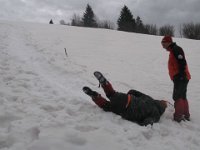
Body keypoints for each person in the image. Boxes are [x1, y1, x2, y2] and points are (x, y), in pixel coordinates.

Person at [83, 71, 167, 126]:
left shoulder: (149, 99)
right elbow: (147, 122)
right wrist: (138, 121)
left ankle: (105, 83)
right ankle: (95, 96)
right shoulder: (156, 115)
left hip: (127, 98)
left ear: (158, 101)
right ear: (162, 110)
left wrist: (129, 97)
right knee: (106, 106)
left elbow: (132, 91)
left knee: (112, 94)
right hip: (126, 111)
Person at [161, 35, 191, 122]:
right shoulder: (173, 50)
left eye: (163, 43)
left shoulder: (176, 49)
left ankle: (178, 116)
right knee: (182, 96)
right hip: (181, 77)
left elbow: (182, 62)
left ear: (168, 42)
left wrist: (181, 76)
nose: (162, 46)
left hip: (180, 77)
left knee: (177, 97)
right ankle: (186, 115)